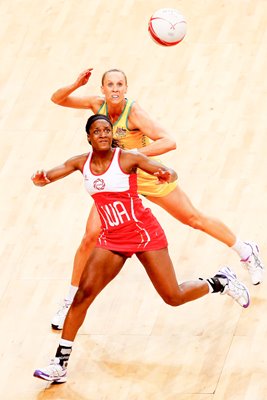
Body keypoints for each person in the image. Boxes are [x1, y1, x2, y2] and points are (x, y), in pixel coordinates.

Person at [32, 115, 250, 383]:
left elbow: (164, 169)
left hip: (143, 234)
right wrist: (41, 178)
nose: (102, 134)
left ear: (111, 135)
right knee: (82, 296)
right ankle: (60, 362)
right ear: (88, 137)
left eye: (106, 130)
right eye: (96, 131)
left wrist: (167, 173)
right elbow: (51, 174)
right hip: (112, 238)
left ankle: (219, 282)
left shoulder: (127, 158)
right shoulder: (81, 162)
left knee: (173, 296)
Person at [50, 68, 263, 330]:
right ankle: (69, 301)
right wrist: (75, 84)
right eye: (110, 84)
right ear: (102, 89)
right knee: (89, 238)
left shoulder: (135, 113)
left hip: (143, 174)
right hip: (116, 183)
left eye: (119, 84)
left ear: (126, 89)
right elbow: (57, 99)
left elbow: (169, 141)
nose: (115, 89)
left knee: (193, 218)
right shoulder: (97, 105)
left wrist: (132, 155)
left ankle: (245, 250)